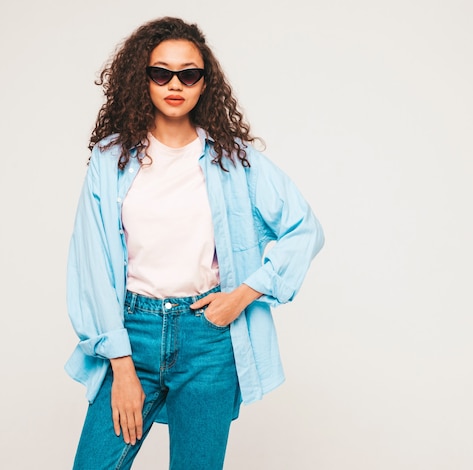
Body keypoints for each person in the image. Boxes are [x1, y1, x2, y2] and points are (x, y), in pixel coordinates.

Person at [65, 16, 324, 469]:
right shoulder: (110, 159)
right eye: (160, 72)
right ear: (140, 78)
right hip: (133, 333)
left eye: (189, 74)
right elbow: (93, 266)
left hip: (208, 341)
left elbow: (304, 229)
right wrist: (121, 364)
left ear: (205, 83)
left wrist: (242, 296)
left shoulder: (234, 162)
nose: (174, 84)